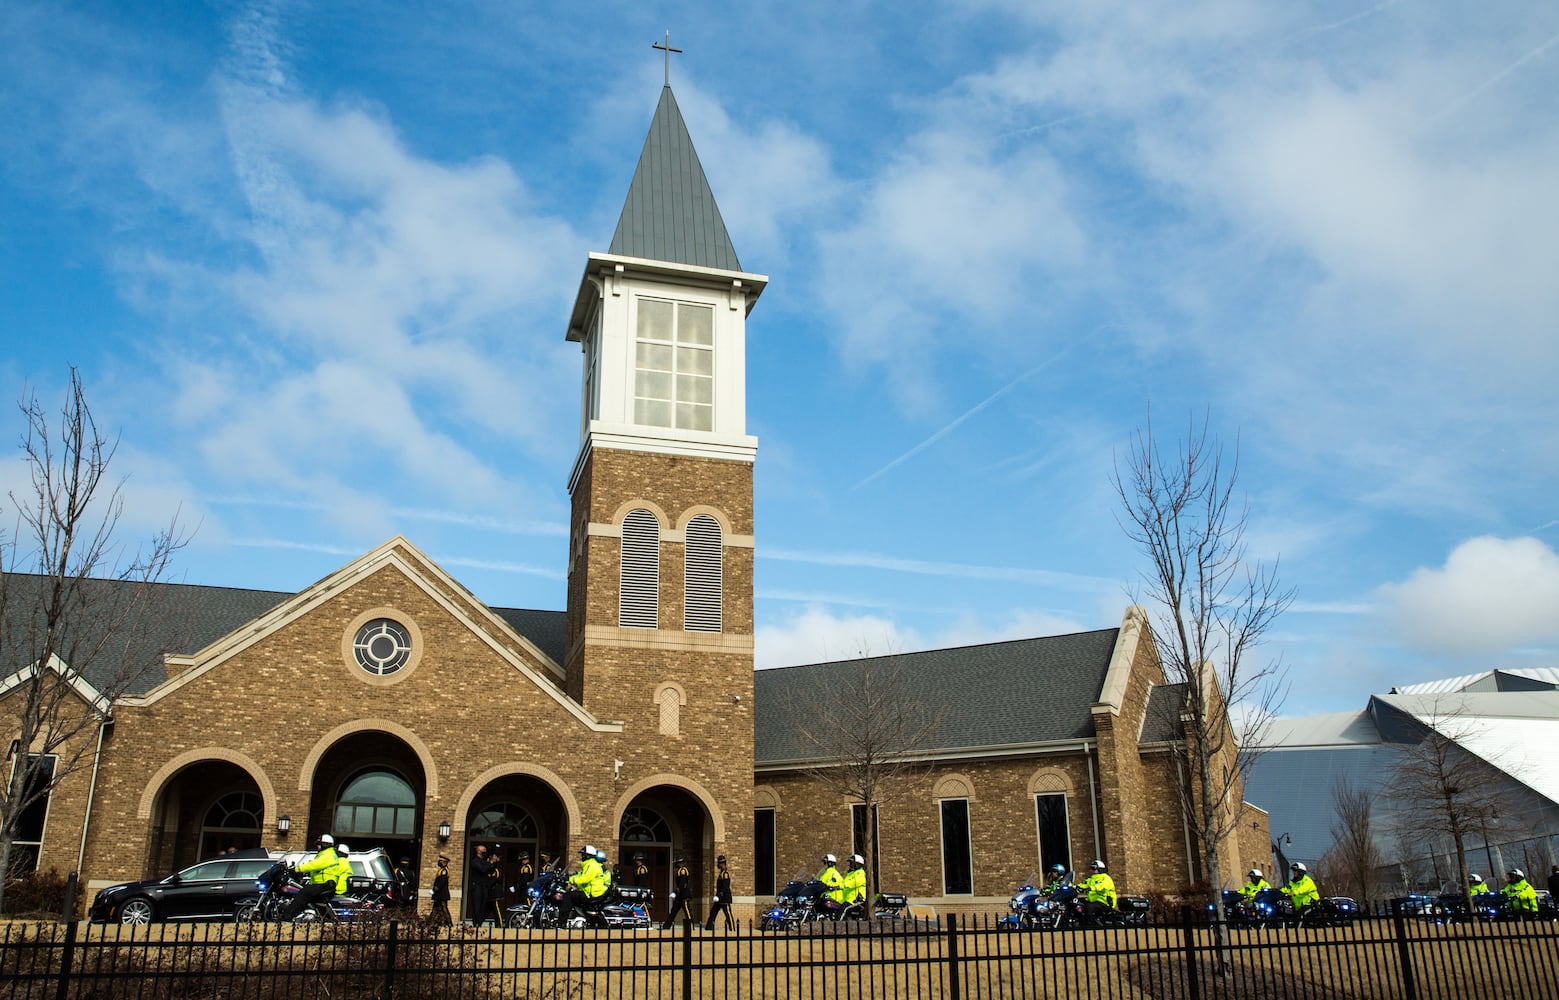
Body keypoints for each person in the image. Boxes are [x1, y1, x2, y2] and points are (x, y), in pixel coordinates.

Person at [279, 833, 351, 921]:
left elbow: (314, 865)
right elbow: (318, 869)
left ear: (325, 845)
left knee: (304, 892)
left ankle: (287, 916)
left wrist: (297, 869)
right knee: (307, 892)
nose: (318, 846)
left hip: (326, 884)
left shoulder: (328, 855)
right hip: (324, 884)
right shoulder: (325, 854)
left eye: (319, 844)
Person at [561, 844, 610, 924]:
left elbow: (585, 878)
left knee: (568, 896)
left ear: (587, 856)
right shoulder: (589, 864)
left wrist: (570, 879)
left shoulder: (592, 865)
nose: (582, 857)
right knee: (573, 893)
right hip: (590, 892)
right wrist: (568, 878)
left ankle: (561, 923)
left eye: (583, 855)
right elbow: (581, 875)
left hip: (592, 893)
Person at [663, 854, 694, 928]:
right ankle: (666, 926)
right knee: (673, 911)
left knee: (687, 912)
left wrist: (676, 892)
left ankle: (691, 927)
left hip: (684, 895)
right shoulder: (680, 870)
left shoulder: (683, 870)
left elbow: (682, 883)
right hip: (679, 896)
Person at [468, 844, 496, 926]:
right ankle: (476, 923)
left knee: (484, 906)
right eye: (484, 851)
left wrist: (493, 863)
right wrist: (490, 862)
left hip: (484, 887)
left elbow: (490, 870)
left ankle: (480, 922)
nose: (485, 852)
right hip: (477, 887)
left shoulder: (484, 861)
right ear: (479, 851)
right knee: (477, 905)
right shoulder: (475, 861)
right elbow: (483, 870)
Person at [705, 855, 734, 930]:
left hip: (724, 898)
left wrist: (719, 895)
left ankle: (732, 929)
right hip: (719, 899)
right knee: (713, 913)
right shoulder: (721, 874)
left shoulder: (725, 874)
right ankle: (709, 928)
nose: (718, 865)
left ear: (722, 864)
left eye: (719, 863)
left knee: (728, 914)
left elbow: (725, 887)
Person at [430, 853, 452, 925]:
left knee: (444, 907)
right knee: (435, 908)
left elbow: (441, 882)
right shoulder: (441, 870)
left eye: (441, 861)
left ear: (445, 862)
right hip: (438, 893)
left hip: (442, 893)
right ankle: (431, 921)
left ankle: (449, 922)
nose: (439, 862)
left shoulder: (444, 871)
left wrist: (435, 889)